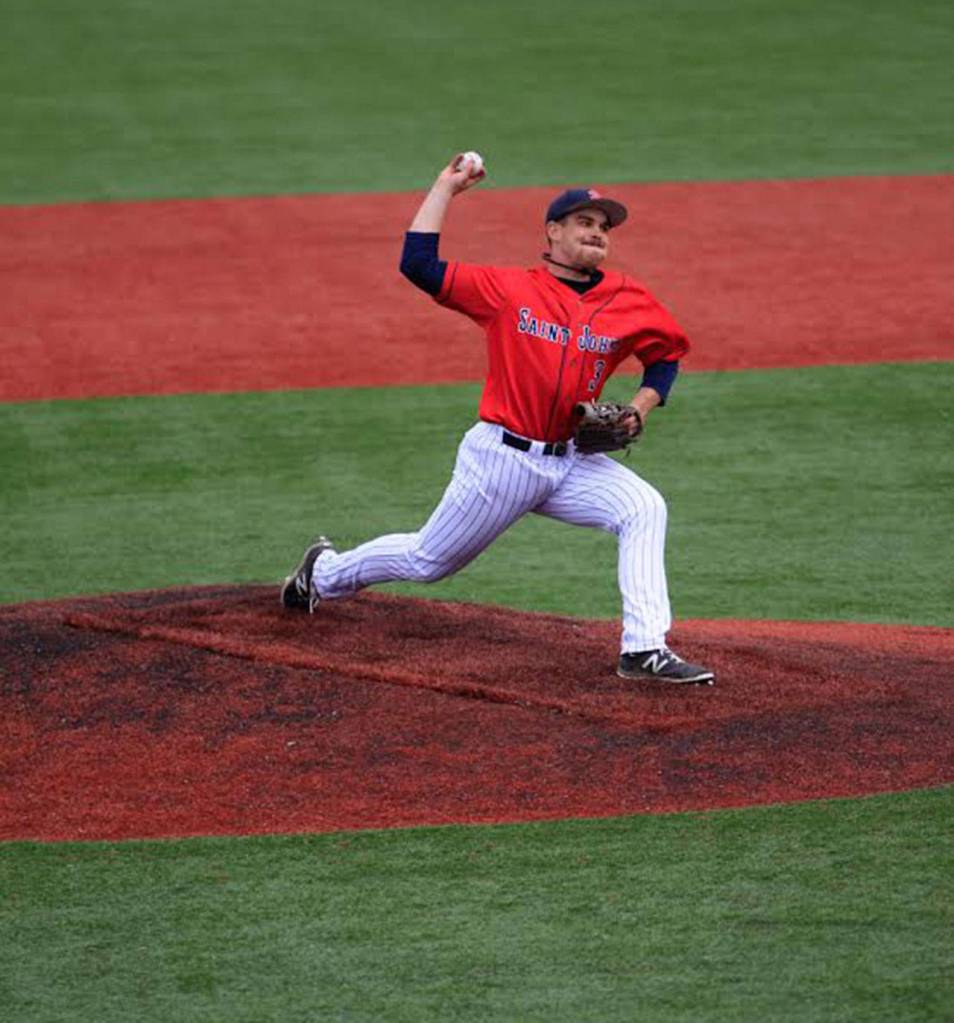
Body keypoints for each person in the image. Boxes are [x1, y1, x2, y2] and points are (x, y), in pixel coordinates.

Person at [281, 154, 714, 685]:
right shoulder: (509, 289)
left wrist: (640, 409)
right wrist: (446, 186)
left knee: (644, 507)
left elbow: (666, 355)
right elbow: (418, 265)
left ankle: (643, 650)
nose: (598, 233)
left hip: (571, 461)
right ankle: (321, 575)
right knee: (428, 561)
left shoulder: (627, 298)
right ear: (553, 231)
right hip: (502, 461)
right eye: (584, 222)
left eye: (604, 227)